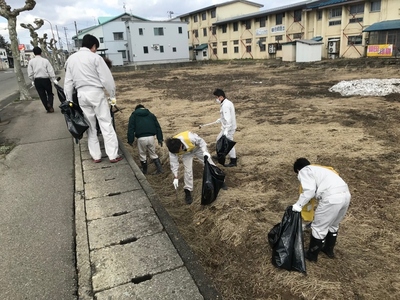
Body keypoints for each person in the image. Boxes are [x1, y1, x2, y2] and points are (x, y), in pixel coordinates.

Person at [64, 34, 122, 164]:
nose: (95, 49)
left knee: (90, 126)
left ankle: (96, 156)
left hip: (81, 95)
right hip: (96, 93)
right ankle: (113, 155)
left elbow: (68, 83)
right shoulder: (96, 58)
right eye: (96, 47)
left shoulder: (71, 59)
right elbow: (107, 80)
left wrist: (69, 101)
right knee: (105, 123)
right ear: (93, 45)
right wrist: (112, 97)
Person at [291, 158, 351, 262]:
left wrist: (298, 205)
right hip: (346, 195)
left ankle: (312, 254)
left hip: (331, 198)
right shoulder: (322, 170)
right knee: (333, 224)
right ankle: (328, 250)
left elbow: (309, 191)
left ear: (298, 170)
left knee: (318, 227)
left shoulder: (304, 171)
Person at [166, 131, 214, 205]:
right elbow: (174, 163)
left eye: (179, 150)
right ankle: (188, 190)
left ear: (181, 145)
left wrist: (204, 151)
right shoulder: (172, 149)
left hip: (196, 148)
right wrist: (175, 176)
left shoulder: (190, 137)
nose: (178, 153)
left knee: (209, 163)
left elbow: (201, 142)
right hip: (187, 153)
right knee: (188, 170)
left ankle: (217, 179)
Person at [127, 104, 163, 175]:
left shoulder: (134, 116)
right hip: (151, 138)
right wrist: (160, 139)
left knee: (142, 154)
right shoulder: (151, 115)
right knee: (153, 153)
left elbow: (130, 129)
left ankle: (145, 171)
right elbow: (158, 127)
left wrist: (130, 140)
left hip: (141, 138)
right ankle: (160, 169)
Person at [28, 46, 57, 113]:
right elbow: (50, 70)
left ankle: (47, 108)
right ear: (41, 52)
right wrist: (53, 78)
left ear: (34, 53)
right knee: (50, 93)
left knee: (42, 95)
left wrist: (32, 80)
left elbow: (30, 72)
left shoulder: (31, 62)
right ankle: (50, 104)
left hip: (37, 80)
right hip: (46, 79)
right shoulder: (45, 61)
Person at [212, 88, 237, 167]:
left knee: (228, 144)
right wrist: (220, 120)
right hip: (227, 127)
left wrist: (226, 130)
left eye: (217, 97)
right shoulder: (227, 103)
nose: (216, 99)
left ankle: (233, 160)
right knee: (219, 139)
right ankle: (220, 155)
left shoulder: (225, 105)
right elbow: (226, 116)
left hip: (228, 128)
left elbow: (228, 119)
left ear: (221, 97)